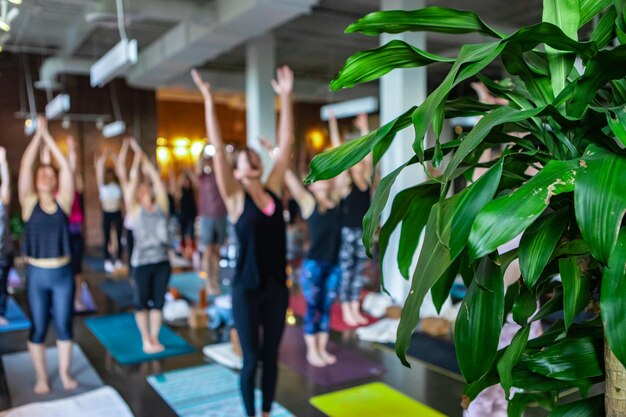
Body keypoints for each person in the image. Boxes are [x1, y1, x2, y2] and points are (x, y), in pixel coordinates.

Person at [192, 65, 294, 417]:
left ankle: (267, 411)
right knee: (251, 360)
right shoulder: (235, 198)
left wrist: (285, 96)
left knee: (271, 358)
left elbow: (286, 148)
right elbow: (218, 150)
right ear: (235, 172)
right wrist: (208, 99)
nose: (249, 159)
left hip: (276, 288)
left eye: (252, 157)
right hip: (246, 290)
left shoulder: (274, 188)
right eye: (242, 160)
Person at [19, 116, 76, 394]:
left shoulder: (63, 201)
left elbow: (64, 167)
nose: (46, 176)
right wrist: (37, 137)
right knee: (39, 327)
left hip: (63, 274)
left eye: (49, 175)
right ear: (36, 181)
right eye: (42, 175)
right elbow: (27, 165)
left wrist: (49, 137)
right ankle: (42, 377)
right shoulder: (29, 203)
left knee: (65, 325)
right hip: (38, 274)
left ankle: (64, 373)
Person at [284, 169, 342, 367]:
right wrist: (275, 154)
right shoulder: (309, 204)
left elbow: (345, 169)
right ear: (312, 186)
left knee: (327, 309)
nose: (325, 179)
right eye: (319, 178)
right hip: (314, 266)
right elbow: (291, 179)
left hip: (334, 265)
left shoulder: (336, 201)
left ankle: (322, 349)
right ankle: (312, 351)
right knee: (313, 309)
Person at [124, 146, 171, 354]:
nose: (145, 191)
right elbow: (130, 186)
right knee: (141, 303)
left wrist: (148, 165)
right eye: (141, 189)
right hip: (141, 263)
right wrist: (136, 160)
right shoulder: (135, 211)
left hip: (161, 262)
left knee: (158, 302)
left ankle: (155, 337)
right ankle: (145, 338)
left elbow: (159, 184)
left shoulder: (161, 207)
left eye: (147, 188)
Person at [329, 112, 372, 326]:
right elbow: (340, 153)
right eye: (357, 161)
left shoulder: (366, 179)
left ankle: (354, 307)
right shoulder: (347, 182)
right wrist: (333, 123)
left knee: (358, 271)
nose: (362, 162)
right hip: (348, 232)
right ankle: (346, 307)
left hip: (363, 233)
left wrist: (364, 127)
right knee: (347, 270)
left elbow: (370, 151)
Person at [195, 149, 227, 295]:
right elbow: (198, 164)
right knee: (208, 251)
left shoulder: (221, 176)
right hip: (207, 217)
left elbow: (227, 162)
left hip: (221, 215)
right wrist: (204, 148)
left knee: (216, 251)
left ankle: (215, 279)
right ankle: (209, 282)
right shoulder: (203, 177)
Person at [95, 148, 124, 273]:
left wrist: (114, 156)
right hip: (107, 213)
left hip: (117, 212)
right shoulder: (103, 186)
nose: (111, 177)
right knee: (106, 237)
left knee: (118, 236)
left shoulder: (118, 186)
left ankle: (118, 259)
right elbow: (99, 169)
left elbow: (120, 169)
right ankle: (107, 260)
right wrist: (105, 156)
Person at [66, 136, 86, 311]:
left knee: (77, 271)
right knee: (64, 271)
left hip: (75, 233)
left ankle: (77, 300)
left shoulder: (76, 188)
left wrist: (73, 151)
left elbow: (73, 171)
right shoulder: (59, 190)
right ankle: (65, 300)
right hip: (62, 235)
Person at [0, 147, 13, 326]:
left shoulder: (1, 200)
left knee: (2, 286)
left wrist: (2, 161)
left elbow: (6, 184)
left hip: (3, 252)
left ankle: (1, 312)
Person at [176, 170, 197, 259]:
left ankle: (190, 254)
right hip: (183, 217)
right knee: (183, 237)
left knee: (190, 236)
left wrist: (190, 173)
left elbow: (196, 182)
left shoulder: (193, 191)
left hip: (191, 216)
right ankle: (184, 254)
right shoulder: (180, 192)